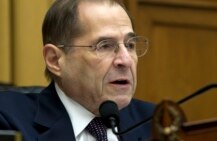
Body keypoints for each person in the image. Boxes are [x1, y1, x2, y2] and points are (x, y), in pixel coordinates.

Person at [0, 0, 155, 141]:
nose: (126, 60)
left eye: (130, 45)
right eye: (105, 45)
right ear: (54, 60)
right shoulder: (9, 119)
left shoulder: (155, 122)